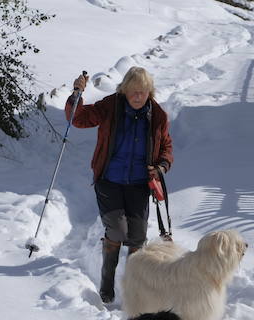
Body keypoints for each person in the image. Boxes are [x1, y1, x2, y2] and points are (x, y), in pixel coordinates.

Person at [65, 66, 173, 304]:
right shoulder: (110, 107)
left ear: (150, 93)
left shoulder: (158, 116)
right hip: (109, 181)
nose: (137, 96)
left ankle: (132, 288)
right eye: (133, 91)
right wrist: (76, 95)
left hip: (138, 185)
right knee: (117, 230)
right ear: (124, 90)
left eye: (142, 92)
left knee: (137, 237)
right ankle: (106, 282)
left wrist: (161, 167)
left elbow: (166, 147)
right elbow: (79, 119)